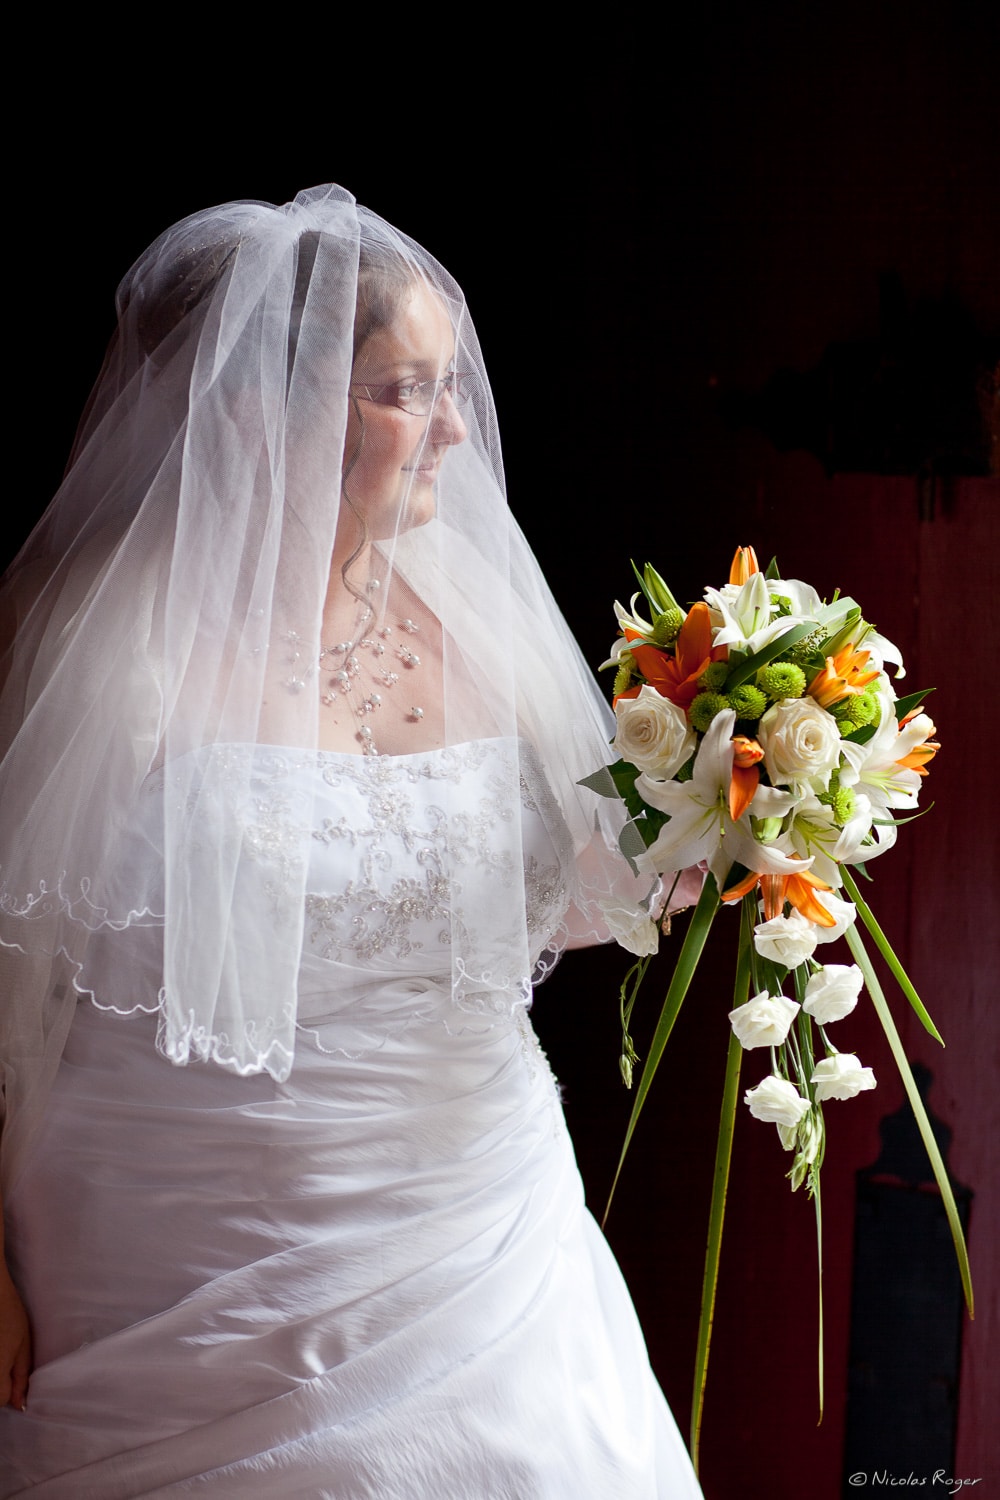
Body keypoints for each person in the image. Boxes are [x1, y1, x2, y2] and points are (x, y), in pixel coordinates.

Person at [0, 185, 703, 1498]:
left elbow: (589, 889)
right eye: (401, 391)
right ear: (271, 410)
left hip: (483, 1239)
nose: (451, 430)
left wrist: (736, 805)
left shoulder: (478, 628)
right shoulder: (108, 637)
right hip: (169, 1259)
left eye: (447, 386)